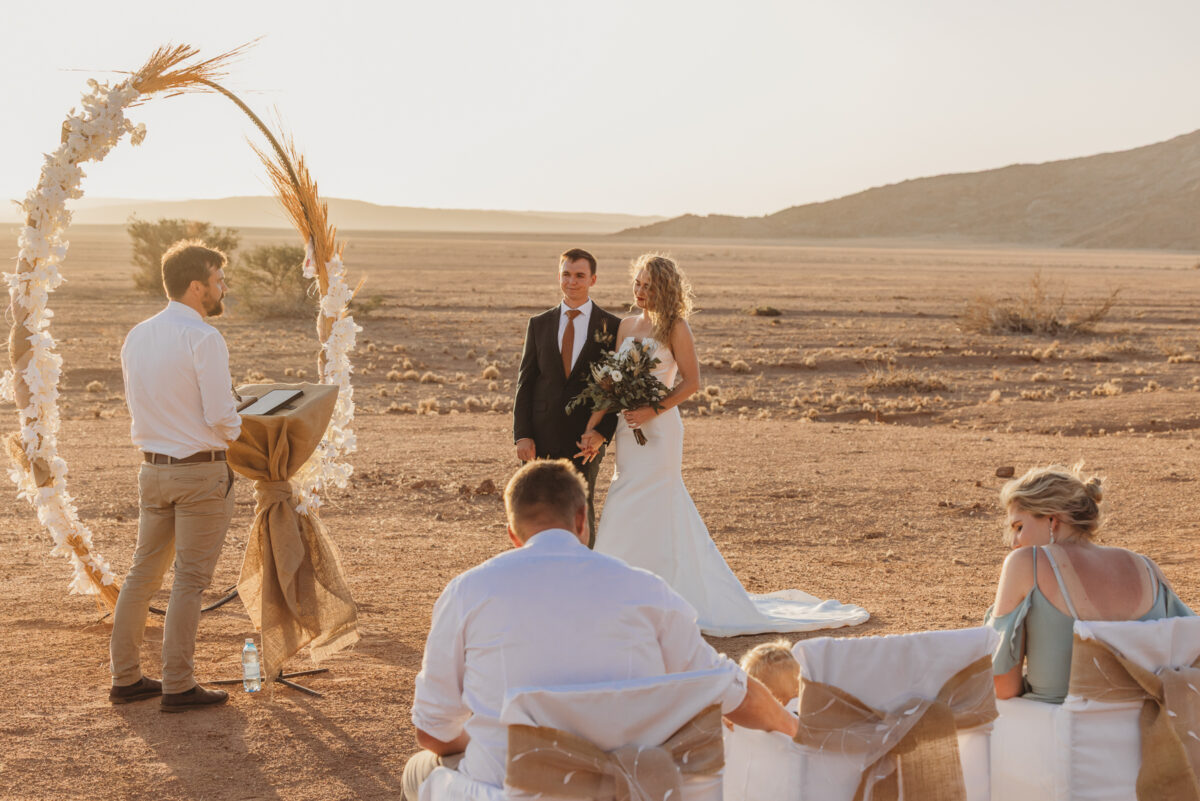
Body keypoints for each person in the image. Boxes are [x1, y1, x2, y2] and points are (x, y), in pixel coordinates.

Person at [402, 459, 798, 801]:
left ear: (513, 534)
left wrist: (507, 740)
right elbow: (733, 691)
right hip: (631, 788)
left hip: (510, 790)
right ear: (581, 520)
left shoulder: (468, 591)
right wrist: (795, 729)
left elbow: (433, 732)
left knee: (420, 769)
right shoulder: (648, 590)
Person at [578, 253, 869, 637]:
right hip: (628, 431)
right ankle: (615, 594)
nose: (641, 291)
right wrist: (594, 427)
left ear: (665, 288)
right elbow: (612, 384)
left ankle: (667, 592)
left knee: (656, 501)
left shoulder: (675, 327)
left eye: (649, 285)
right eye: (638, 283)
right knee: (622, 496)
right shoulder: (626, 325)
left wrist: (652, 409)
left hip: (660, 429)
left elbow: (692, 382)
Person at [108, 240, 243, 712]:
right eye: (218, 280)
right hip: (199, 474)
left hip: (152, 469)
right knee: (189, 580)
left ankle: (125, 679)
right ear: (195, 287)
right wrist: (239, 425)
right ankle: (178, 685)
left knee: (141, 574)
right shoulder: (204, 338)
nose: (223, 287)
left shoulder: (137, 335)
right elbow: (221, 415)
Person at [986, 464, 1194, 703]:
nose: (1014, 542)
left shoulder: (1027, 562)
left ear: (1052, 520)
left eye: (1019, 527)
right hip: (1144, 733)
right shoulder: (1145, 567)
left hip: (1057, 731)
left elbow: (1002, 684)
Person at [513, 248, 622, 546]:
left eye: (579, 276)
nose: (571, 282)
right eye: (566, 274)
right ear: (558, 276)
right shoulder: (539, 323)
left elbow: (615, 387)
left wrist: (601, 433)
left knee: (580, 509)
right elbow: (526, 381)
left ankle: (584, 578)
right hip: (540, 435)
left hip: (583, 439)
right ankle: (537, 576)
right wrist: (522, 435)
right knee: (536, 509)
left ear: (593, 279)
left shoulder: (612, 327)